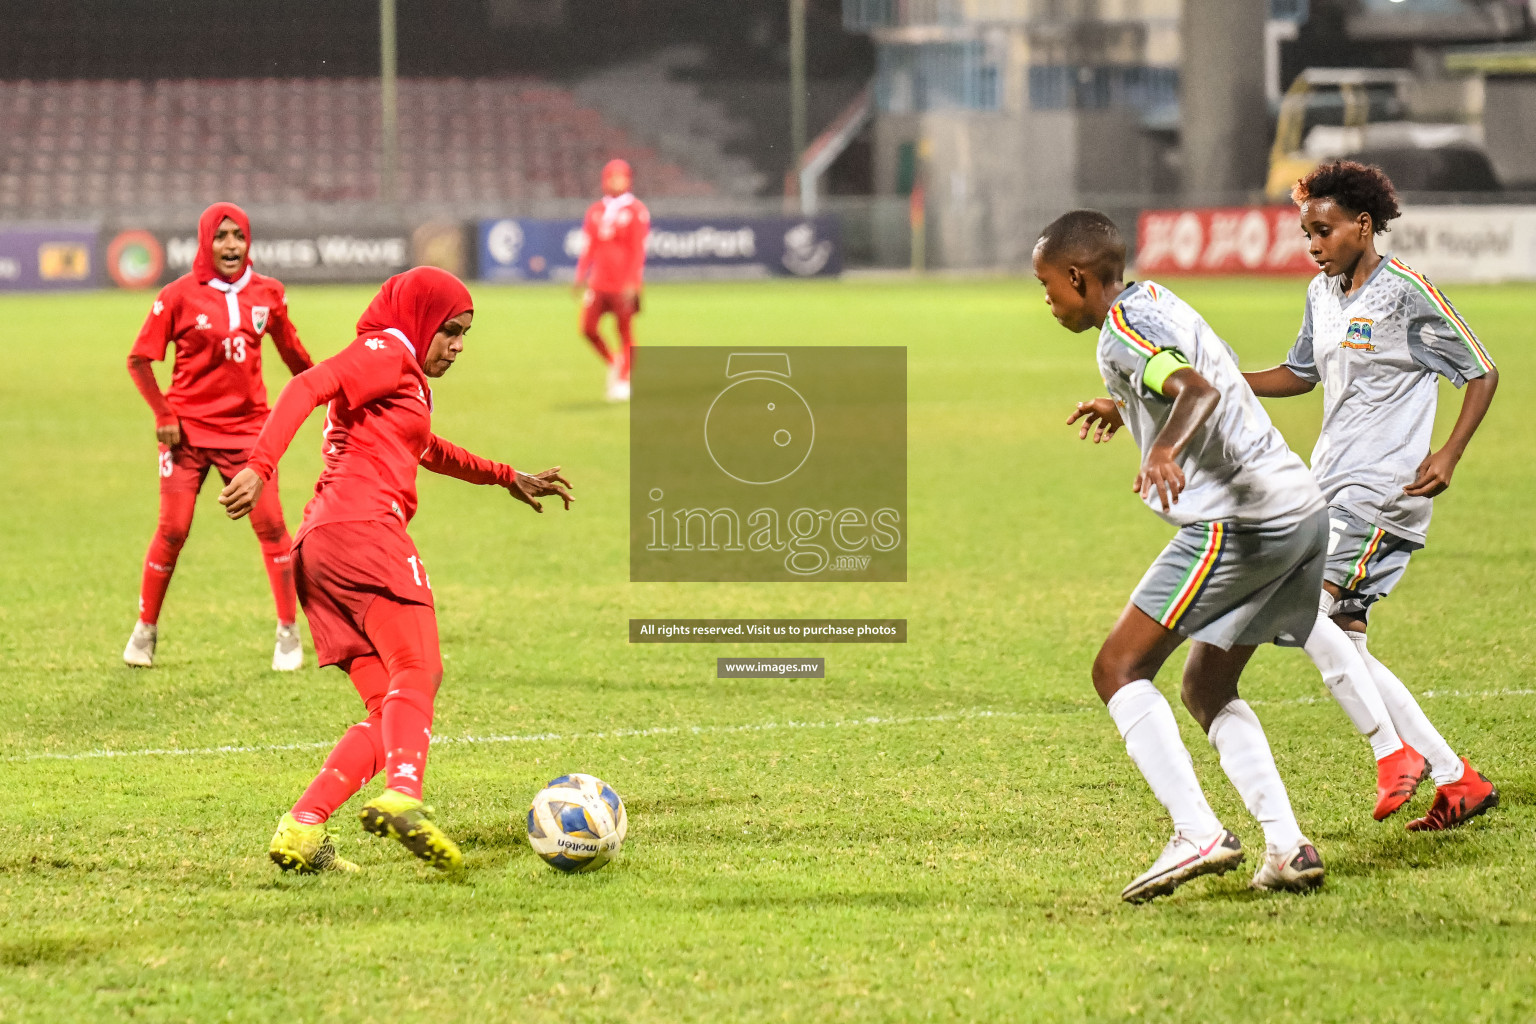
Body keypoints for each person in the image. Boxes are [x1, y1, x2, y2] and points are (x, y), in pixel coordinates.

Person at [219, 267, 572, 873]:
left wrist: (503, 474)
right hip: (364, 532)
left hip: (319, 550)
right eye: (451, 331)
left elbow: (427, 448)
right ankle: (405, 796)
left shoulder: (404, 378)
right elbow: (307, 384)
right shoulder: (386, 350)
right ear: (420, 320)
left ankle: (302, 827)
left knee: (389, 709)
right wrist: (260, 464)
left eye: (464, 334)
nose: (458, 345)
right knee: (420, 668)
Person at [1035, 210, 1329, 903]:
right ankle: (1287, 847)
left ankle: (1195, 831)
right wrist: (1127, 409)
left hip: (1241, 522)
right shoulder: (1156, 300)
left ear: (1078, 278)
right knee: (1206, 687)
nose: (1045, 299)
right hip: (1300, 512)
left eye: (1047, 285)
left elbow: (1195, 390)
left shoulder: (1123, 331)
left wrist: (1163, 446)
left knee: (1118, 667)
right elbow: (1192, 374)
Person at [1243, 160, 1499, 831]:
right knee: (1347, 644)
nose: (1314, 243)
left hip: (1384, 490)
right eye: (1306, 233)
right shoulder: (1322, 295)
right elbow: (1299, 374)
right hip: (1330, 486)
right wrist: (1225, 381)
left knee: (1303, 613)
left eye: (1324, 230)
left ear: (1363, 225)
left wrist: (1448, 453)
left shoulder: (1405, 292)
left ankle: (1394, 755)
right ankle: (1457, 780)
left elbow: (1481, 370)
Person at [123, 202, 314, 671]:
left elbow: (294, 357)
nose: (231, 246)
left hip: (250, 432)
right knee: (173, 529)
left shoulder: (269, 294)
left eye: (239, 237)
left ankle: (288, 633)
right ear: (205, 241)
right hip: (185, 434)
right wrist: (163, 413)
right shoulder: (177, 295)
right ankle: (145, 630)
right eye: (221, 237)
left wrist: (333, 385)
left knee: (272, 528)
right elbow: (139, 359)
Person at [573, 158, 649, 402]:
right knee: (587, 328)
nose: (616, 181)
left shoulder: (636, 210)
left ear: (628, 179)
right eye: (611, 176)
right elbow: (589, 247)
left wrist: (633, 282)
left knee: (624, 331)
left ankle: (624, 379)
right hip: (598, 282)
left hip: (622, 283)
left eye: (621, 176)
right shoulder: (595, 210)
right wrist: (580, 275)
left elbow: (638, 250)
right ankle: (615, 362)